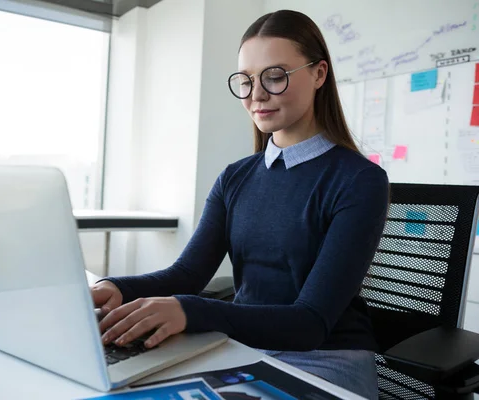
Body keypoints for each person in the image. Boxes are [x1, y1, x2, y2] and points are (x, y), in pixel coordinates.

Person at [91, 9, 388, 399]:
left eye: (275, 76)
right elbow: (186, 275)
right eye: (246, 81)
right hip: (242, 350)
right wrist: (115, 288)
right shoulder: (236, 177)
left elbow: (309, 323)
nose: (257, 94)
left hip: (324, 360)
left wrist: (191, 311)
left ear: (319, 74)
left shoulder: (358, 180)